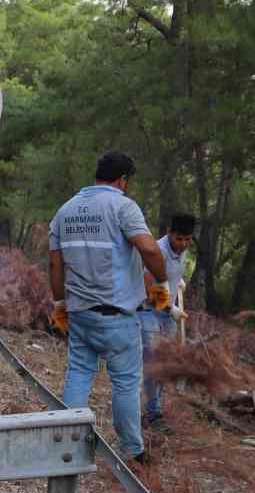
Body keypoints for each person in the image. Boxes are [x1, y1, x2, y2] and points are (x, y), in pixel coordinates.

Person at [48, 151, 172, 465]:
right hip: (117, 316)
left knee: (78, 374)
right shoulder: (122, 206)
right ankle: (132, 449)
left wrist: (59, 304)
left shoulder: (65, 211)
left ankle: (66, 444)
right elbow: (148, 248)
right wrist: (161, 282)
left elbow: (55, 264)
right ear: (123, 181)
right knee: (126, 383)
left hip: (80, 313)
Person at [138, 212, 196, 435]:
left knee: (165, 364)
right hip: (148, 312)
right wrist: (169, 308)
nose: (183, 244)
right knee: (153, 364)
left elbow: (167, 278)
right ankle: (150, 414)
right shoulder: (158, 250)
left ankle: (155, 411)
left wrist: (176, 281)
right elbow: (148, 285)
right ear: (169, 233)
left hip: (167, 315)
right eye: (179, 238)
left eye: (188, 239)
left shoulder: (181, 252)